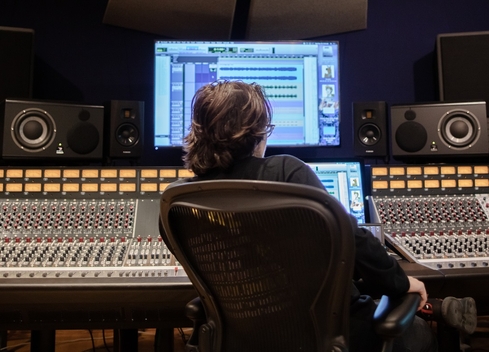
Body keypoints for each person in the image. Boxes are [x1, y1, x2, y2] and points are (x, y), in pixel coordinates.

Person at [161, 80, 477, 352]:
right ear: (256, 133)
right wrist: (398, 282)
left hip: (238, 339)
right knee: (419, 336)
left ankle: (436, 309)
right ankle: (435, 313)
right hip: (329, 336)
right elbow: (350, 242)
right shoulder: (285, 172)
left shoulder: (178, 201)